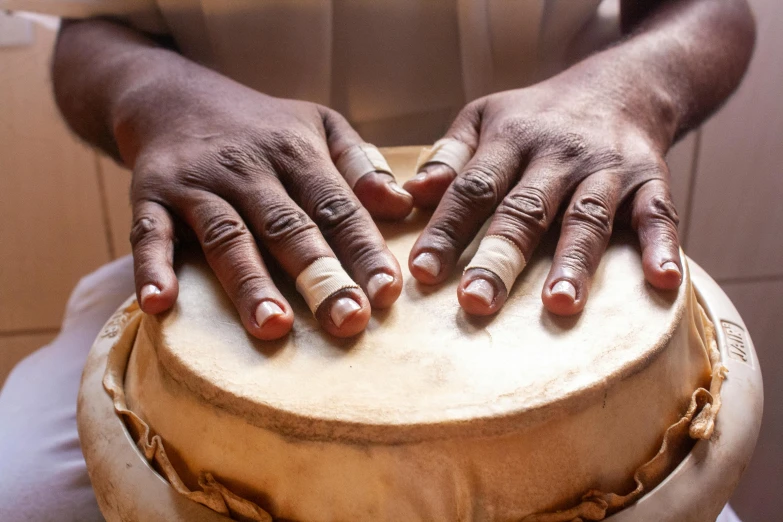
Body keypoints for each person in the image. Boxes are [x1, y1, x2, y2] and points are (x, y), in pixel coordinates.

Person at [0, 0, 755, 520]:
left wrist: (629, 92)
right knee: (22, 499)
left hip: (559, 237)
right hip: (223, 253)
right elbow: (91, 21)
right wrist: (156, 96)